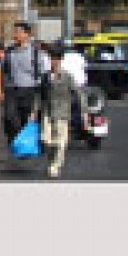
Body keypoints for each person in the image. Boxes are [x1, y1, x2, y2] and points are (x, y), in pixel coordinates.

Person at [0, 21, 49, 152]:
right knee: (9, 116)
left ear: (27, 34)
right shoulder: (9, 51)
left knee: (25, 118)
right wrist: (0, 89)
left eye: (18, 32)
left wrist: (41, 91)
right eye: (14, 31)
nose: (15, 34)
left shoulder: (36, 53)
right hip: (11, 89)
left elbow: (43, 72)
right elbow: (4, 71)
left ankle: (26, 144)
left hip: (29, 90)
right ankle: (15, 138)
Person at [39, 46, 77, 179]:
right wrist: (34, 111)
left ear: (60, 60)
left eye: (56, 59)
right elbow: (40, 95)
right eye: (52, 59)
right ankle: (52, 161)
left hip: (62, 112)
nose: (53, 62)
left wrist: (83, 112)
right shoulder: (45, 76)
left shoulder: (67, 77)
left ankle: (55, 166)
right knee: (46, 140)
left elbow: (77, 93)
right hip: (47, 112)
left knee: (60, 142)